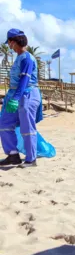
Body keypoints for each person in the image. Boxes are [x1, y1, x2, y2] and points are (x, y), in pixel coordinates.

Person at [0, 29, 42, 168]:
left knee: (27, 127)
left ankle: (31, 159)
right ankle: (13, 155)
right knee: (5, 124)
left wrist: (16, 98)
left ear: (13, 42)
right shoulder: (19, 57)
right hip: (14, 95)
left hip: (27, 95)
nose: (9, 46)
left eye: (9, 43)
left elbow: (25, 79)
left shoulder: (27, 58)